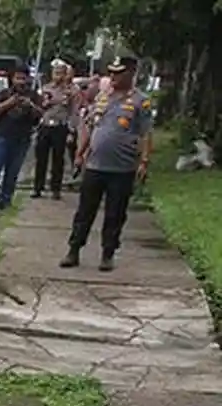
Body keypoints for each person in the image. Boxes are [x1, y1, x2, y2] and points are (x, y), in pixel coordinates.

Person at [60, 56, 153, 272]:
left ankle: (107, 253)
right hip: (95, 165)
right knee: (85, 211)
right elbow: (91, 127)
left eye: (118, 73)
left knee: (115, 213)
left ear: (130, 73)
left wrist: (144, 161)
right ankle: (74, 250)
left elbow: (146, 133)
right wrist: (80, 154)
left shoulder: (141, 101)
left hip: (122, 167)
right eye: (110, 72)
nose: (112, 77)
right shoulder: (102, 98)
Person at [0, 69, 42, 210]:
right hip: (1, 136)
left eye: (23, 78)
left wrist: (30, 106)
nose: (21, 82)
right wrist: (9, 103)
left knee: (12, 172)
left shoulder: (33, 95)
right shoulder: (4, 93)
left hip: (22, 138)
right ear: (12, 79)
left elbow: (40, 114)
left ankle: (5, 201)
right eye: (18, 78)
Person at [31, 58, 79, 199]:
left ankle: (55, 189)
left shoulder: (71, 91)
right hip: (45, 125)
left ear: (66, 75)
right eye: (55, 73)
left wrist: (71, 130)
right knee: (41, 158)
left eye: (60, 73)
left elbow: (74, 112)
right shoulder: (46, 88)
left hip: (61, 126)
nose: (58, 76)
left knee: (58, 160)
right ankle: (38, 188)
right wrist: (45, 104)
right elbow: (39, 107)